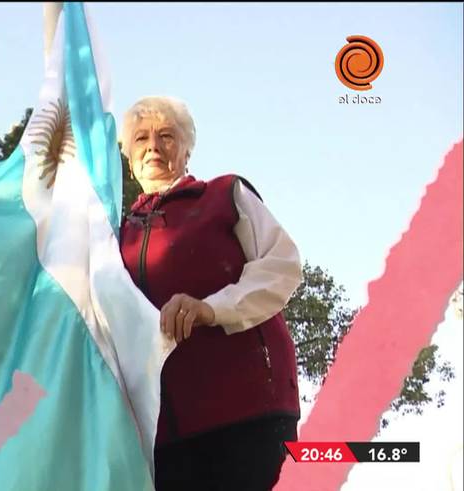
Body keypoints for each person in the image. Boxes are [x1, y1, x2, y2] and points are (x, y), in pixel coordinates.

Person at [118, 96, 303, 491]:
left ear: (186, 151)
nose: (153, 146)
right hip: (163, 434)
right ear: (128, 157)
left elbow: (282, 264)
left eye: (167, 136)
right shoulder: (113, 238)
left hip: (248, 413)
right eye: (141, 139)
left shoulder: (225, 195)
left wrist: (211, 308)